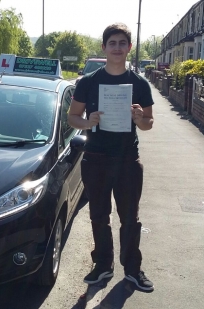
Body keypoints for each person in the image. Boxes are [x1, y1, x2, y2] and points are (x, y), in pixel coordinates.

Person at [67, 23, 155, 292]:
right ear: (104, 47)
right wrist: (87, 122)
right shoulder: (88, 82)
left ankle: (132, 269)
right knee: (98, 215)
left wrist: (140, 118)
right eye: (112, 43)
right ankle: (103, 265)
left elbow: (149, 123)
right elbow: (72, 117)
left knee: (130, 217)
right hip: (96, 157)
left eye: (122, 43)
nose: (117, 48)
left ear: (129, 48)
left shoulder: (139, 84)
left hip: (128, 158)